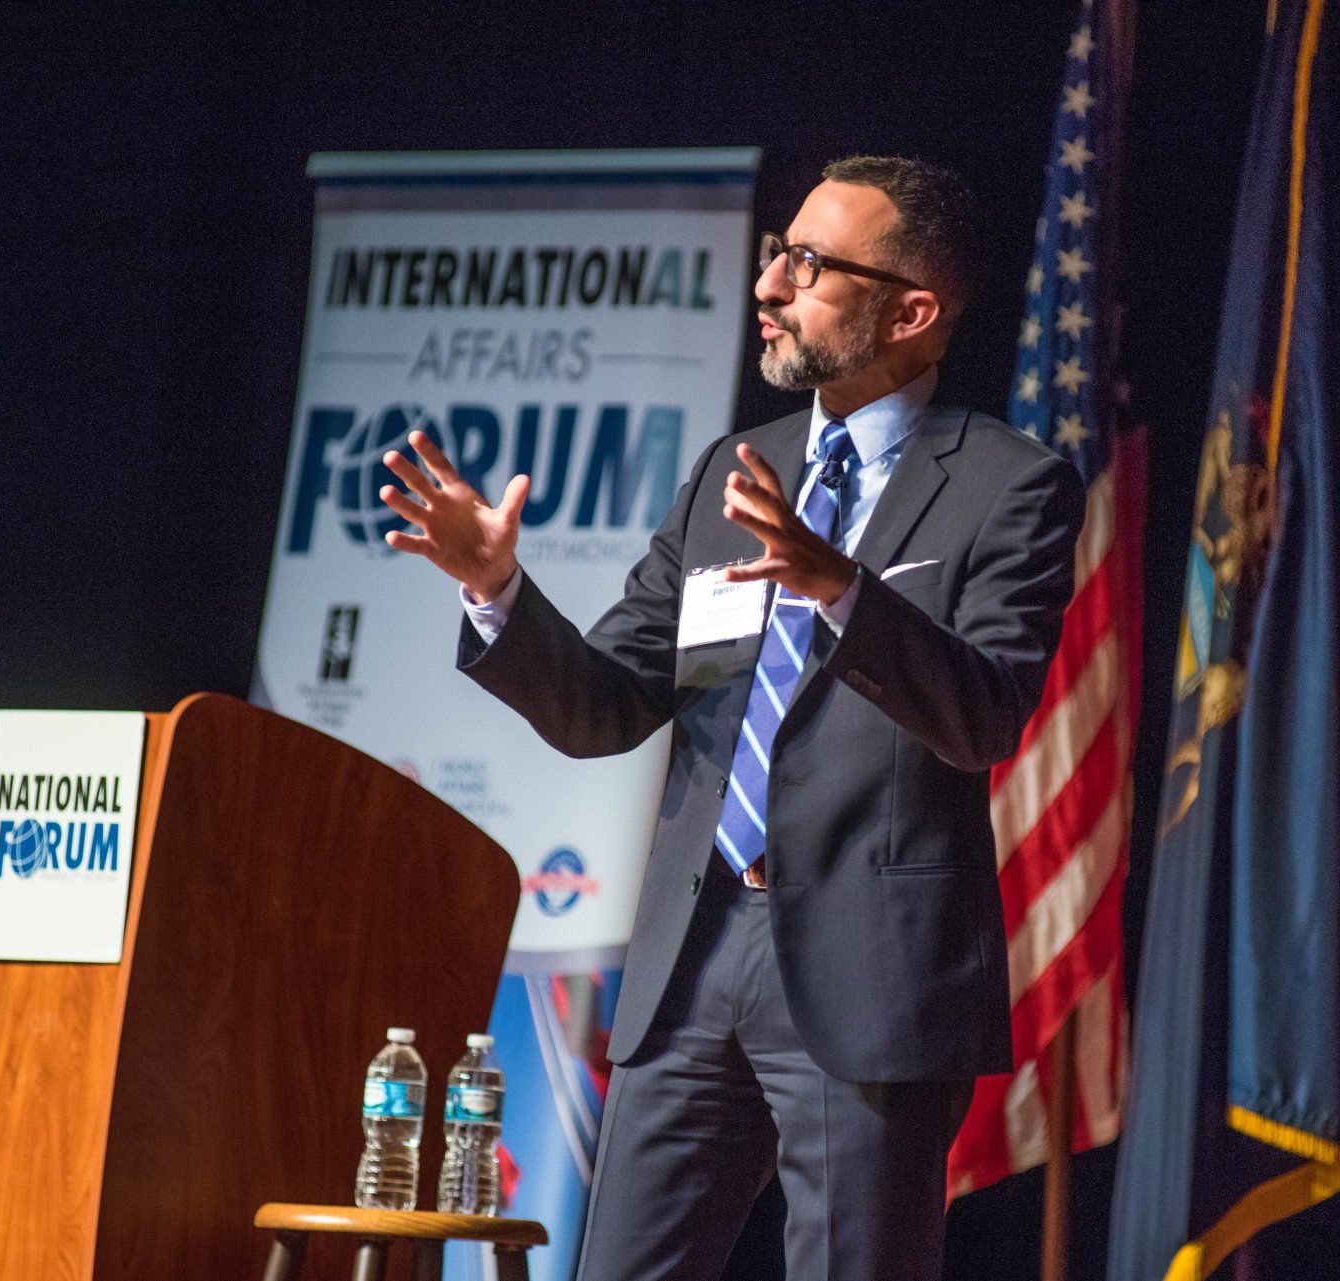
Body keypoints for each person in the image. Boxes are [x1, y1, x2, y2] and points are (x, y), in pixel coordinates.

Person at [379, 155, 1084, 1281]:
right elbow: (606, 707)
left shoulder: (1011, 484)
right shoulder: (733, 469)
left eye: (810, 265)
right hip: (694, 956)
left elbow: (986, 717)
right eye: (777, 253)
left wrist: (840, 588)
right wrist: (499, 593)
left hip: (868, 972)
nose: (770, 286)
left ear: (913, 310)